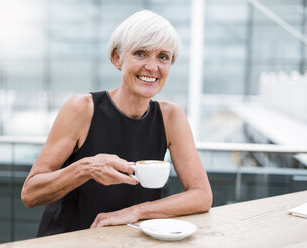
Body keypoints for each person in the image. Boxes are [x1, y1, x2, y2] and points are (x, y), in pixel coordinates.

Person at [21, 9, 212, 237]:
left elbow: (202, 195)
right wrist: (86, 168)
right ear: (116, 58)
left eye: (163, 57)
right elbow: (31, 194)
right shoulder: (82, 108)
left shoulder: (172, 116)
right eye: (141, 53)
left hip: (130, 241)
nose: (152, 67)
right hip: (69, 239)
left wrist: (136, 212)